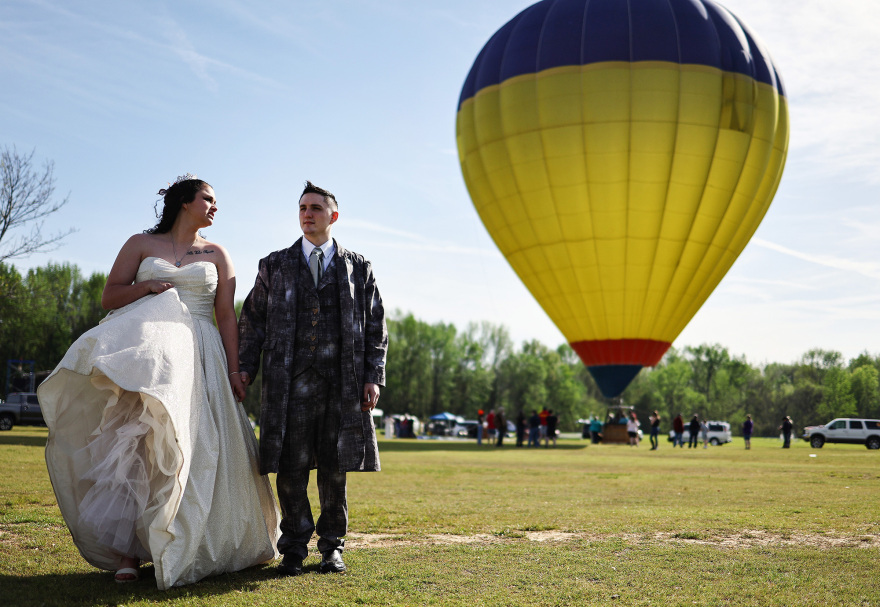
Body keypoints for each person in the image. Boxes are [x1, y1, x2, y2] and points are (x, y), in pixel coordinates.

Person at [37, 175, 280, 588]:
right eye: (208, 198)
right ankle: (129, 551)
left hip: (202, 355)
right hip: (152, 359)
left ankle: (196, 542)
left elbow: (226, 316)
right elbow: (110, 296)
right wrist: (147, 287)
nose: (215, 206)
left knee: (199, 445)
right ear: (185, 201)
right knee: (139, 446)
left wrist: (234, 370)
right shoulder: (140, 244)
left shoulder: (218, 253)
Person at [238, 180, 387, 577]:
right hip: (288, 384)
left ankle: (332, 547)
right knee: (290, 469)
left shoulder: (359, 267)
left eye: (316, 208)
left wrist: (373, 376)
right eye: (303, 208)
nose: (307, 214)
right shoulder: (274, 265)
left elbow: (376, 326)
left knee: (335, 470)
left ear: (333, 215)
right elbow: (252, 321)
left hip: (342, 383)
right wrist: (245, 367)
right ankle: (292, 548)